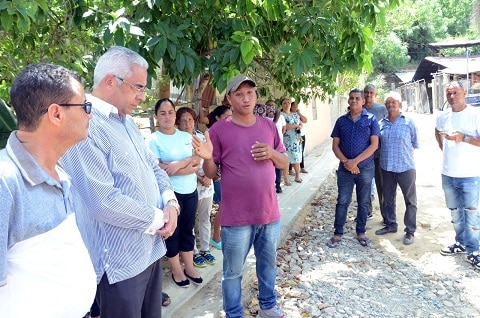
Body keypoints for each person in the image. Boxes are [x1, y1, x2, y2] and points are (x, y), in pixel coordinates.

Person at [61, 46, 179, 318]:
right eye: (137, 87)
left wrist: (170, 202)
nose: (142, 97)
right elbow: (103, 202)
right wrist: (160, 217)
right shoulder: (85, 126)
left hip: (149, 251)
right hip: (118, 264)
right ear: (110, 81)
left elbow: (153, 166)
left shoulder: (126, 122)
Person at [0, 63, 96, 317]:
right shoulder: (5, 183)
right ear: (56, 114)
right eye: (85, 106)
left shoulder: (59, 172)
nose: (90, 114)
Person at [193, 74, 289, 318]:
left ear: (256, 96)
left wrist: (270, 153)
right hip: (236, 216)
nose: (245, 99)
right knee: (233, 271)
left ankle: (268, 306)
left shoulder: (268, 126)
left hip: (268, 213)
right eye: (239, 94)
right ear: (229, 99)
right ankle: (234, 313)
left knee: (267, 266)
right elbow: (212, 175)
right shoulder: (218, 130)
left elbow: (285, 162)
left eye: (250, 93)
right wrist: (206, 157)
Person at [146, 99, 203, 287]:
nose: (167, 116)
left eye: (170, 112)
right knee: (172, 231)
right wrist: (186, 165)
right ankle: (176, 271)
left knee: (188, 229)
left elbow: (197, 159)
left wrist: (177, 165)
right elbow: (156, 168)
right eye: (162, 113)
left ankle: (189, 266)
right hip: (170, 194)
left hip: (190, 190)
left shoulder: (186, 136)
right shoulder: (154, 140)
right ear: (156, 116)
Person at [435, 81, 480, 270]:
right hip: (448, 173)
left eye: (455, 92)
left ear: (464, 92)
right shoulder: (443, 116)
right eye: (448, 93)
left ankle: (474, 251)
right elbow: (437, 132)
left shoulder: (475, 114)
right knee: (455, 213)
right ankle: (460, 243)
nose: (452, 96)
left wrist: (465, 138)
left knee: (472, 215)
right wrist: (443, 148)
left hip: (471, 174)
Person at [327, 88, 379, 248]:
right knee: (343, 200)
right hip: (345, 169)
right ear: (348, 101)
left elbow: (374, 145)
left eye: (357, 98)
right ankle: (337, 233)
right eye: (351, 98)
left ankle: (361, 232)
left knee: (364, 201)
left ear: (363, 101)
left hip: (365, 167)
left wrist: (355, 162)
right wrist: (346, 162)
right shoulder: (341, 121)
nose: (354, 100)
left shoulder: (371, 119)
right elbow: (335, 145)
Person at [374, 92, 419, 245]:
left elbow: (414, 143)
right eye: (388, 102)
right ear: (385, 105)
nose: (391, 105)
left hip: (406, 167)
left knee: (410, 201)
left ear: (400, 104)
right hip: (386, 168)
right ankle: (391, 224)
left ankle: (410, 231)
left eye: (394, 102)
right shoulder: (381, 124)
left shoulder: (409, 122)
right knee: (388, 199)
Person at [176, 107, 217, 268]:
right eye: (183, 120)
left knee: (205, 218)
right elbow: (180, 165)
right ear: (178, 123)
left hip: (207, 185)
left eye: (190, 120)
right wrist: (200, 176)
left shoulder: (201, 137)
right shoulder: (177, 141)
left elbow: (211, 159)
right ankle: (191, 251)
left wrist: (208, 175)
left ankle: (205, 249)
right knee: (189, 220)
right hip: (189, 186)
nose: (187, 123)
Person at [364, 84, 388, 221]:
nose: (368, 95)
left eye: (371, 93)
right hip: (363, 156)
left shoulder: (381, 109)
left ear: (375, 94)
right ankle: (367, 212)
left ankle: (386, 216)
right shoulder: (358, 108)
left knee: (382, 186)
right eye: (366, 92)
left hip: (379, 154)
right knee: (365, 185)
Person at [280, 97, 303, 185]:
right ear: (281, 105)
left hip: (296, 139)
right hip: (286, 140)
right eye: (285, 103)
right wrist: (295, 126)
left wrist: (300, 126)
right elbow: (284, 127)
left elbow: (301, 123)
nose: (287, 104)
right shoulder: (281, 115)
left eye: (288, 103)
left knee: (297, 157)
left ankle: (297, 176)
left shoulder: (295, 114)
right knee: (286, 159)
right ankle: (286, 179)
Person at [268, 100, 286, 194]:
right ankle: (270, 186)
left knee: (278, 166)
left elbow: (283, 129)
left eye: (273, 105)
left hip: (278, 145)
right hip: (268, 145)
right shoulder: (264, 118)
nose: (271, 107)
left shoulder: (281, 117)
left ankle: (278, 185)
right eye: (269, 105)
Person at [290, 101, 308, 174]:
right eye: (294, 106)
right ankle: (290, 169)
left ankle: (302, 167)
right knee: (291, 152)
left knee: (301, 151)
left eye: (296, 106)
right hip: (292, 136)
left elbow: (305, 120)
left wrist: (299, 113)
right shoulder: (289, 115)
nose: (295, 108)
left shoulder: (298, 115)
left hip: (301, 135)